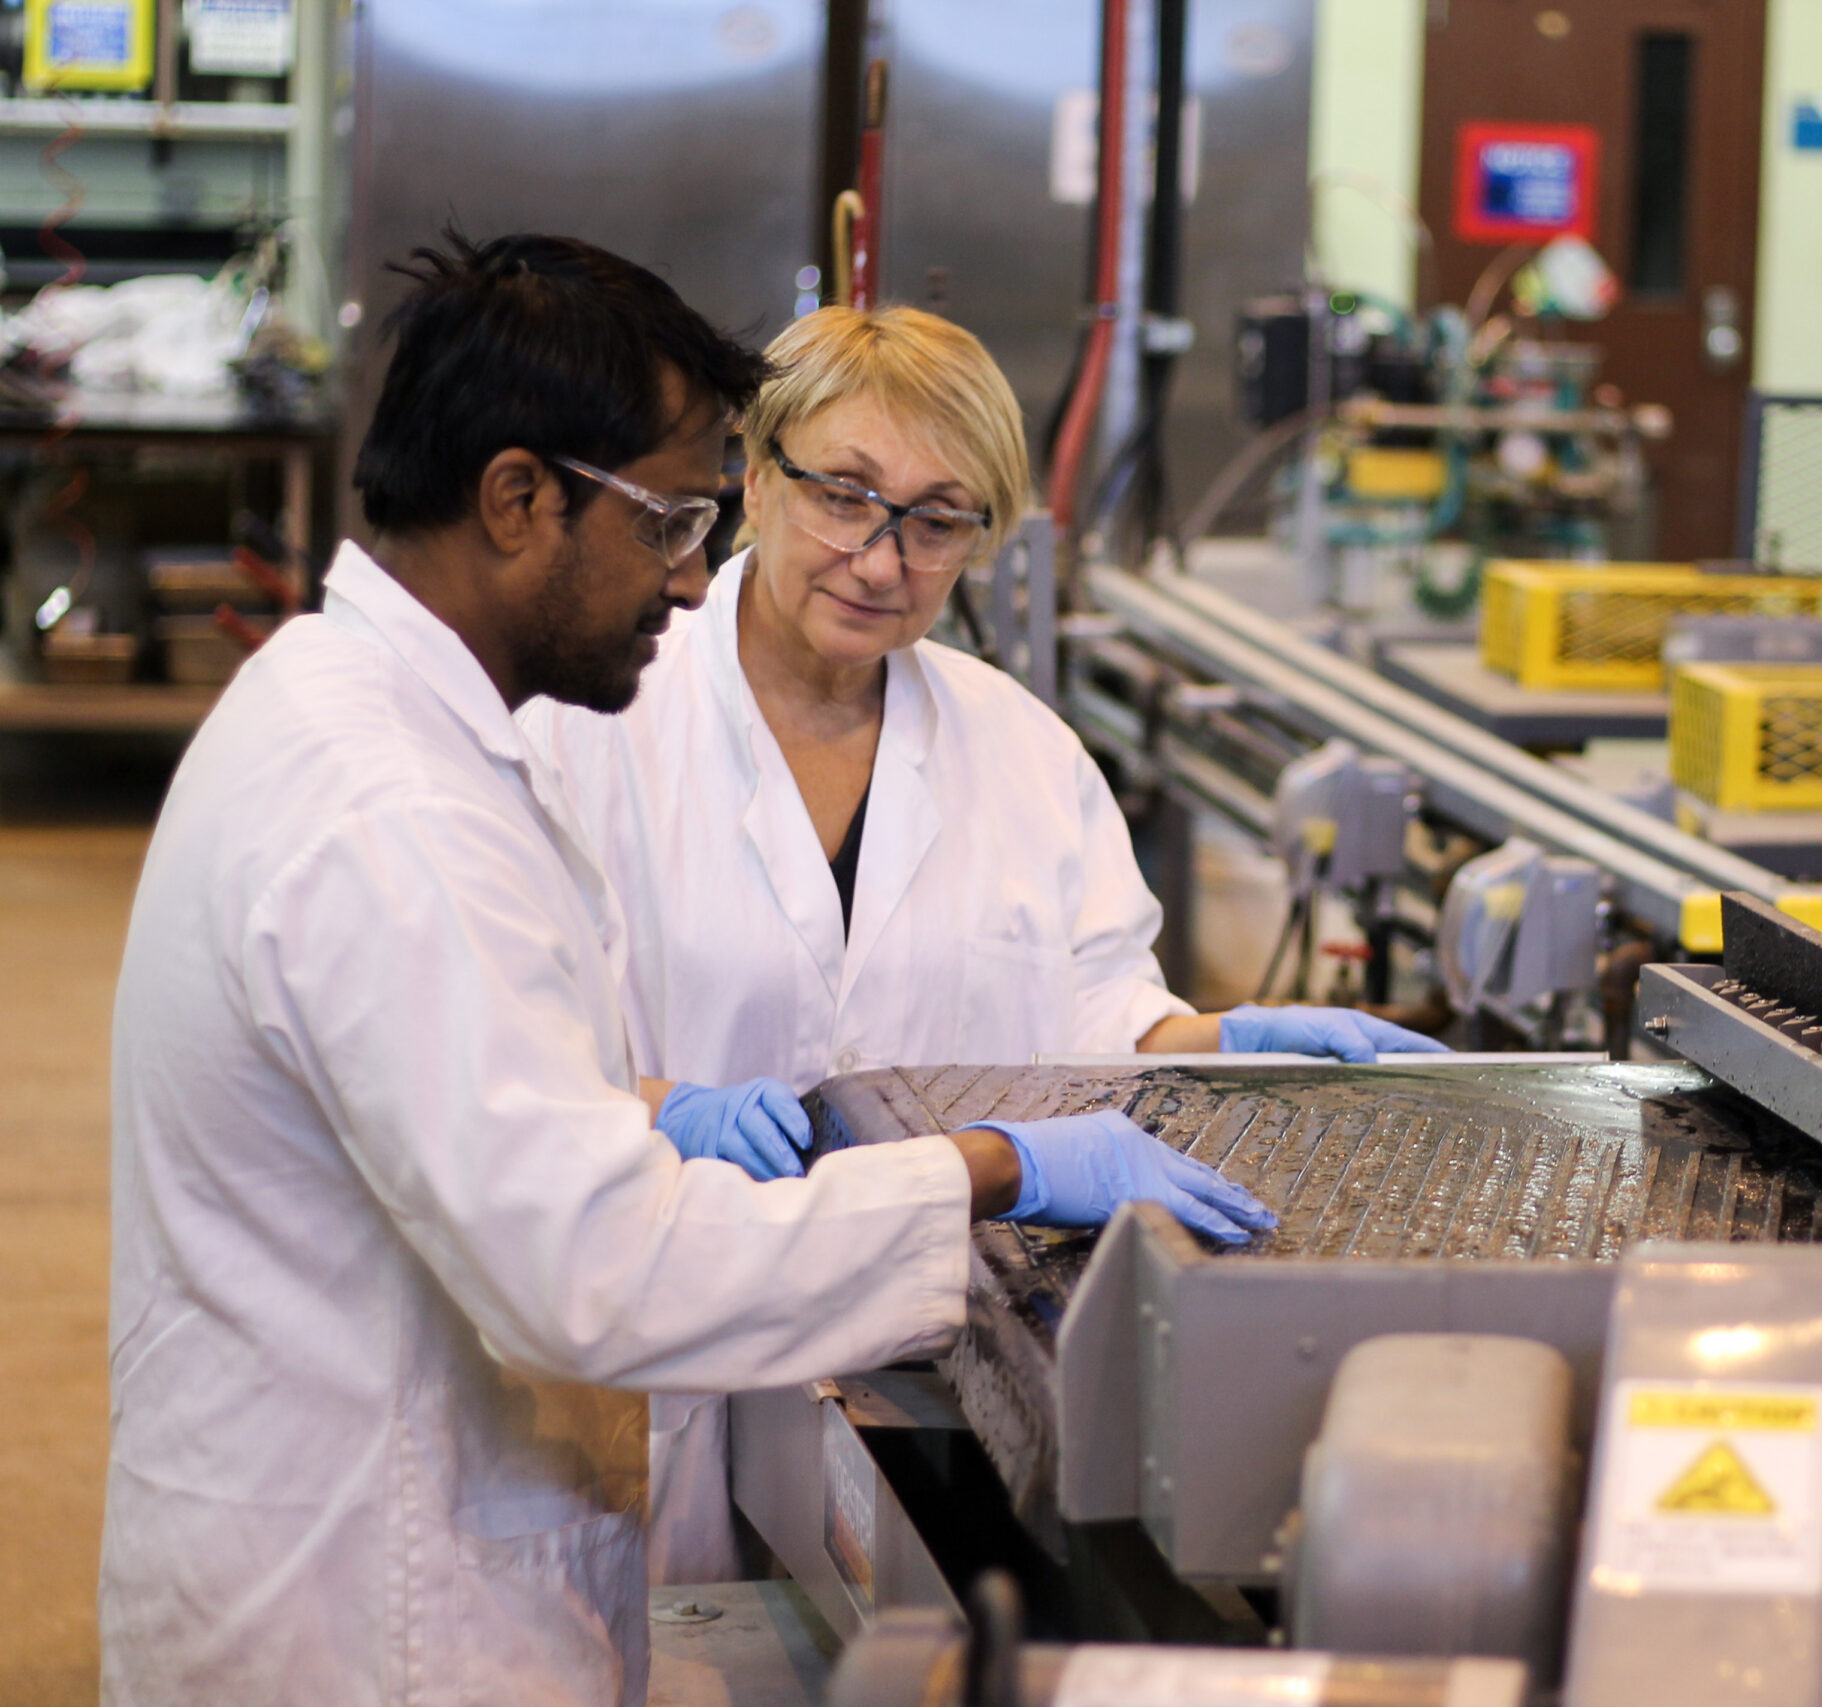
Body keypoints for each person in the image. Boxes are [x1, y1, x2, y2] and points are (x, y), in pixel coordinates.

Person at [100, 232, 1270, 1707]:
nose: (693, 572)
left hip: (440, 1530)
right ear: (519, 498)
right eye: (672, 521)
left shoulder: (371, 722)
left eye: (936, 519)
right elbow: (596, 1270)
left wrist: (1214, 1044)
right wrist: (979, 1164)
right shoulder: (394, 812)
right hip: (371, 1609)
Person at [517, 305, 1442, 1580]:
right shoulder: (588, 726)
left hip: (923, 1358)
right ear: (755, 469)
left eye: (938, 520)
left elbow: (1088, 1017)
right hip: (659, 1363)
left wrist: (1219, 1046)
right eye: (845, 494)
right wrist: (660, 1108)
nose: (881, 559)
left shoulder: (1024, 752)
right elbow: (490, 1072)